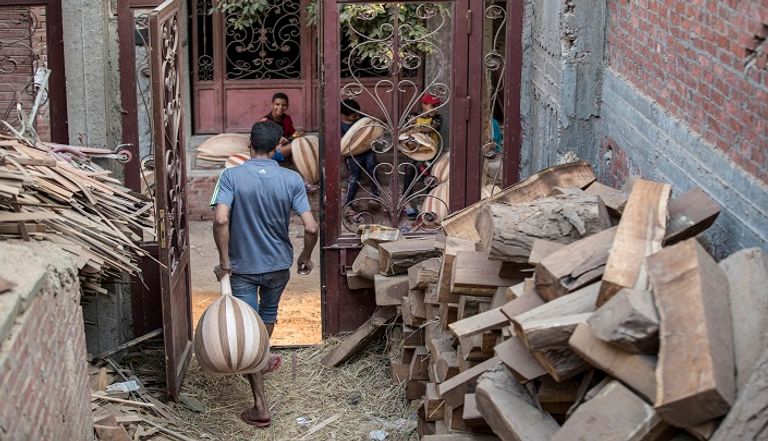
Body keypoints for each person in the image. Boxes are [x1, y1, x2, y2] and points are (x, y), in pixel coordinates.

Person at [211, 120, 319, 428]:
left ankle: (260, 404)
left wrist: (224, 261)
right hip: (277, 267)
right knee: (267, 315)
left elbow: (221, 220)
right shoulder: (292, 179)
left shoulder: (230, 176)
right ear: (277, 149)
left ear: (249, 145)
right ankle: (261, 356)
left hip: (242, 269)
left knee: (248, 331)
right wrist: (306, 256)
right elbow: (311, 227)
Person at [403, 93, 443, 219]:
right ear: (424, 105)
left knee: (427, 173)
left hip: (430, 152)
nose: (436, 108)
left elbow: (433, 128)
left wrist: (417, 129)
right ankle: (407, 202)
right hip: (414, 151)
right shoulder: (413, 116)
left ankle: (426, 203)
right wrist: (410, 125)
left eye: (438, 106)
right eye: (433, 106)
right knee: (409, 169)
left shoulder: (437, 118)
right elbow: (404, 128)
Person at [341, 99, 379, 218]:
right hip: (352, 154)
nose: (357, 117)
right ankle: (348, 203)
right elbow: (342, 145)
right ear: (344, 115)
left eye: (358, 114)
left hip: (367, 150)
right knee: (354, 177)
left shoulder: (362, 120)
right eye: (353, 116)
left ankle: (376, 196)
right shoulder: (340, 125)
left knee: (372, 168)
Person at [260, 92, 300, 161]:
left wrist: (294, 136)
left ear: (287, 106)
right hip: (269, 153)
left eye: (284, 105)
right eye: (277, 104)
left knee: (300, 141)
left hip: (283, 148)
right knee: (295, 145)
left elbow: (292, 133)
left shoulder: (287, 119)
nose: (280, 107)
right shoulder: (265, 121)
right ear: (272, 105)